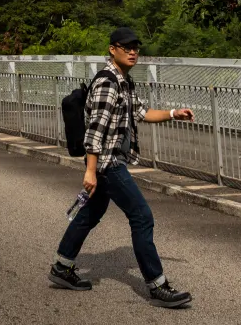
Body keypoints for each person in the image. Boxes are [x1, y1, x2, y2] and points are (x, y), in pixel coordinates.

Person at [49, 26, 196, 308]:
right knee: (142, 216)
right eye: (126, 47)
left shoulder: (123, 82)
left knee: (90, 214)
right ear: (112, 49)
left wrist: (174, 113)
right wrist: (90, 171)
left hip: (106, 162)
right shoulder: (108, 82)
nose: (133, 52)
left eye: (136, 47)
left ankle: (62, 267)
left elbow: (142, 112)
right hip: (107, 163)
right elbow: (95, 132)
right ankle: (157, 286)